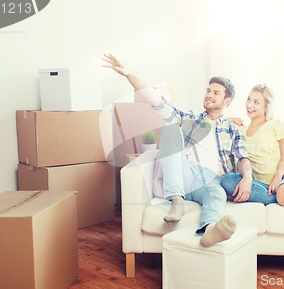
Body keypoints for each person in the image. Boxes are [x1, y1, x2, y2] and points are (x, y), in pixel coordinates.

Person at [103, 54, 253, 247]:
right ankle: (176, 200)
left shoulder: (233, 129)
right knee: (171, 127)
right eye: (208, 90)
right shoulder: (189, 119)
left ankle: (209, 230)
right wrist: (128, 74)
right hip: (185, 174)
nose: (209, 94)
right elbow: (156, 100)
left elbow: (242, 157)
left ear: (227, 101)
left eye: (216, 93)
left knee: (217, 195)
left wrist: (247, 177)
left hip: (212, 180)